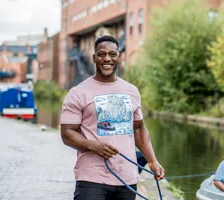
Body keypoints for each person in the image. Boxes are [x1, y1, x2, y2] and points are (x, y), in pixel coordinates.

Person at [60, 35, 165, 200]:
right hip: (91, 180)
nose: (107, 58)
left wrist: (152, 161)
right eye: (101, 54)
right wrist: (94, 146)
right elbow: (67, 133)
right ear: (94, 58)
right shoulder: (78, 93)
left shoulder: (131, 91)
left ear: (119, 57)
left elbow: (138, 128)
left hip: (127, 179)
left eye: (112, 54)